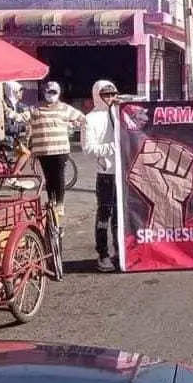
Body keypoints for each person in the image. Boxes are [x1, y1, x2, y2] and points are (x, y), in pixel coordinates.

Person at [28, 81, 85, 218]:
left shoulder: (65, 108)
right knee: (48, 177)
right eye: (49, 92)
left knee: (58, 177)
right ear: (44, 93)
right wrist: (6, 111)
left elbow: (82, 118)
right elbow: (22, 117)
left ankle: (59, 203)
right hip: (43, 151)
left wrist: (72, 124)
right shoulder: (35, 108)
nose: (51, 95)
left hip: (60, 150)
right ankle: (51, 201)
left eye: (54, 92)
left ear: (58, 94)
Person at [82, 80, 121, 273]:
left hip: (122, 172)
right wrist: (112, 147)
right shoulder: (90, 119)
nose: (110, 98)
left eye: (113, 94)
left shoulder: (120, 113)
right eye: (106, 94)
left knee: (120, 216)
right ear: (97, 95)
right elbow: (88, 149)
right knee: (104, 215)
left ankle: (120, 251)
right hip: (106, 174)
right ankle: (103, 253)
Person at [1, 81, 32, 188]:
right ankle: (13, 177)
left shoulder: (14, 103)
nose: (21, 94)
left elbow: (24, 110)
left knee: (21, 151)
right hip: (6, 136)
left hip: (10, 135)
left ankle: (15, 170)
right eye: (19, 92)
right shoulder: (6, 104)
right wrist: (22, 126)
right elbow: (9, 125)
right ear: (13, 92)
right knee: (26, 153)